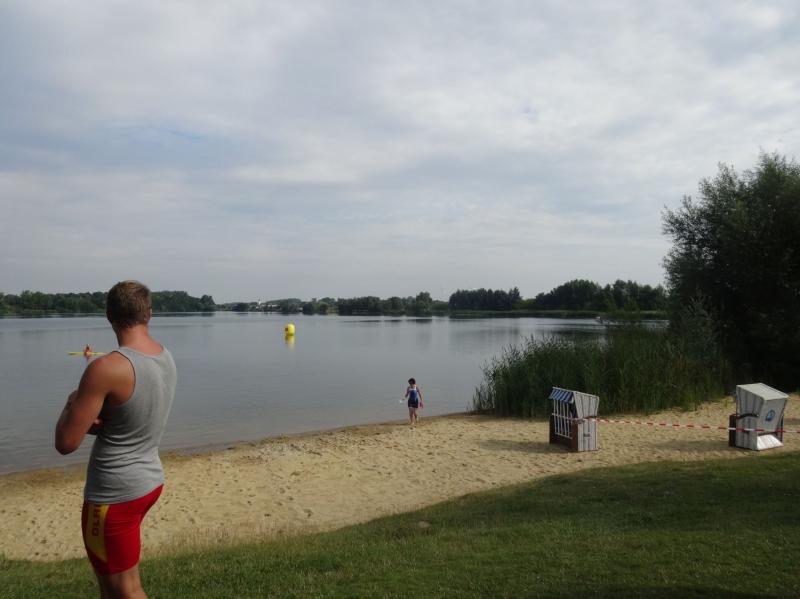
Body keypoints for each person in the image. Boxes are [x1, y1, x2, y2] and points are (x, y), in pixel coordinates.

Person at [55, 280, 176, 599]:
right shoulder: (165, 357)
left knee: (124, 590)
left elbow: (65, 442)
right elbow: (134, 416)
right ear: (149, 314)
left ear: (109, 315)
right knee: (116, 587)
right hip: (149, 481)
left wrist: (71, 403)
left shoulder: (105, 368)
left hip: (113, 496)